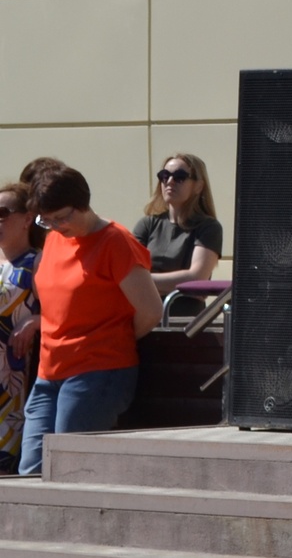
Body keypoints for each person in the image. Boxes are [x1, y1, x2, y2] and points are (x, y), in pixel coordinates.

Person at [18, 164, 160, 476]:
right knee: (31, 470)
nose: (56, 226)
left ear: (83, 202)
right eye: (48, 220)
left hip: (97, 372)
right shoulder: (55, 238)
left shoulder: (115, 241)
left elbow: (150, 311)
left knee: (70, 469)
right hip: (49, 371)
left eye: (63, 216)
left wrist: (110, 338)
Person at [134, 152, 222, 295]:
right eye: (164, 175)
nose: (169, 181)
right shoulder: (147, 224)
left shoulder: (209, 228)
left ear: (198, 186)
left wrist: (142, 281)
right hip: (147, 314)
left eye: (179, 177)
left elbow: (197, 278)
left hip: (189, 315)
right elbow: (128, 273)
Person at [0, 184, 38, 474]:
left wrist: (37, 322)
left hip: (10, 389)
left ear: (27, 218)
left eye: (2, 213)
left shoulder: (38, 263)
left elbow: (66, 313)